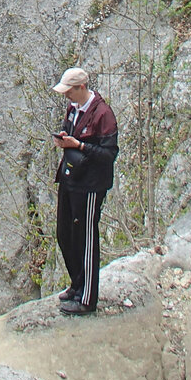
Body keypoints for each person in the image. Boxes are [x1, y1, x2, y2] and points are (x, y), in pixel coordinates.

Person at [51, 67, 118, 316]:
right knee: (65, 234)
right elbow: (70, 132)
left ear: (81, 87)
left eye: (69, 91)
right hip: (70, 177)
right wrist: (64, 139)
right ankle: (76, 284)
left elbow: (109, 154)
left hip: (90, 185)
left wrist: (79, 145)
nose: (66, 96)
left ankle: (88, 299)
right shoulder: (73, 108)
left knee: (86, 238)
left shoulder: (103, 114)